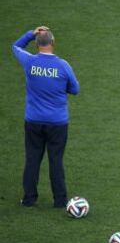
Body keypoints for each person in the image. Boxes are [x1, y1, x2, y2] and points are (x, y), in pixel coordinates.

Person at [12, 26, 80, 208]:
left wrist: (30, 33)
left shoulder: (29, 62)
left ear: (36, 44)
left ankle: (29, 199)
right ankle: (60, 201)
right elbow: (75, 89)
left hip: (33, 120)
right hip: (57, 122)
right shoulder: (63, 66)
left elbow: (15, 46)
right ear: (53, 43)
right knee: (56, 161)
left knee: (32, 159)